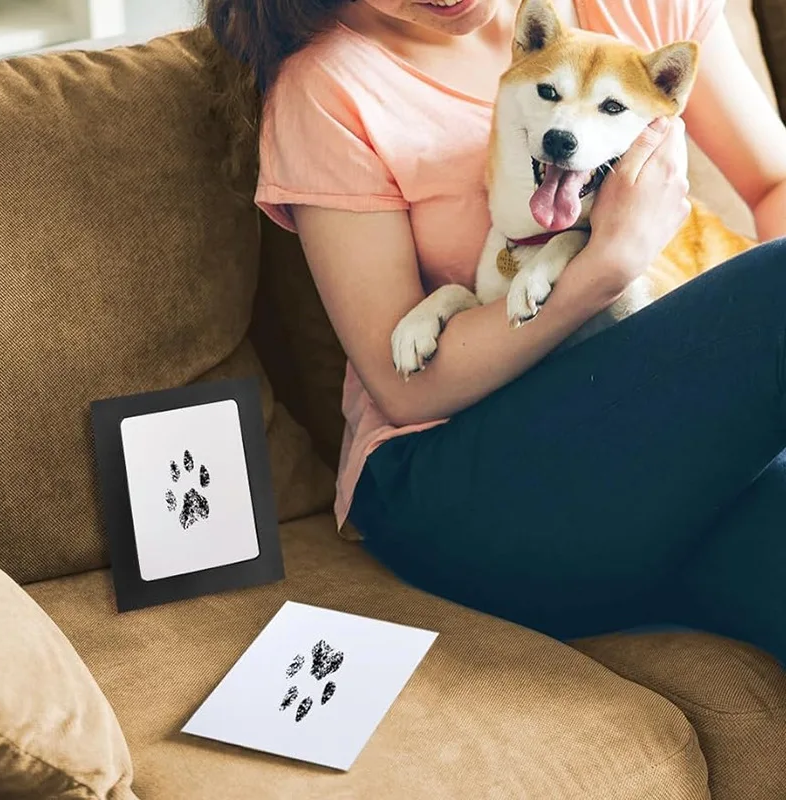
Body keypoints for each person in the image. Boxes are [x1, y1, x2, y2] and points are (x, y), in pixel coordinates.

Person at [207, 0, 786, 662]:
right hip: (460, 478)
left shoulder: (637, 9)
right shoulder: (327, 89)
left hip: (644, 460)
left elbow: (774, 181)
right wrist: (607, 264)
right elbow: (406, 391)